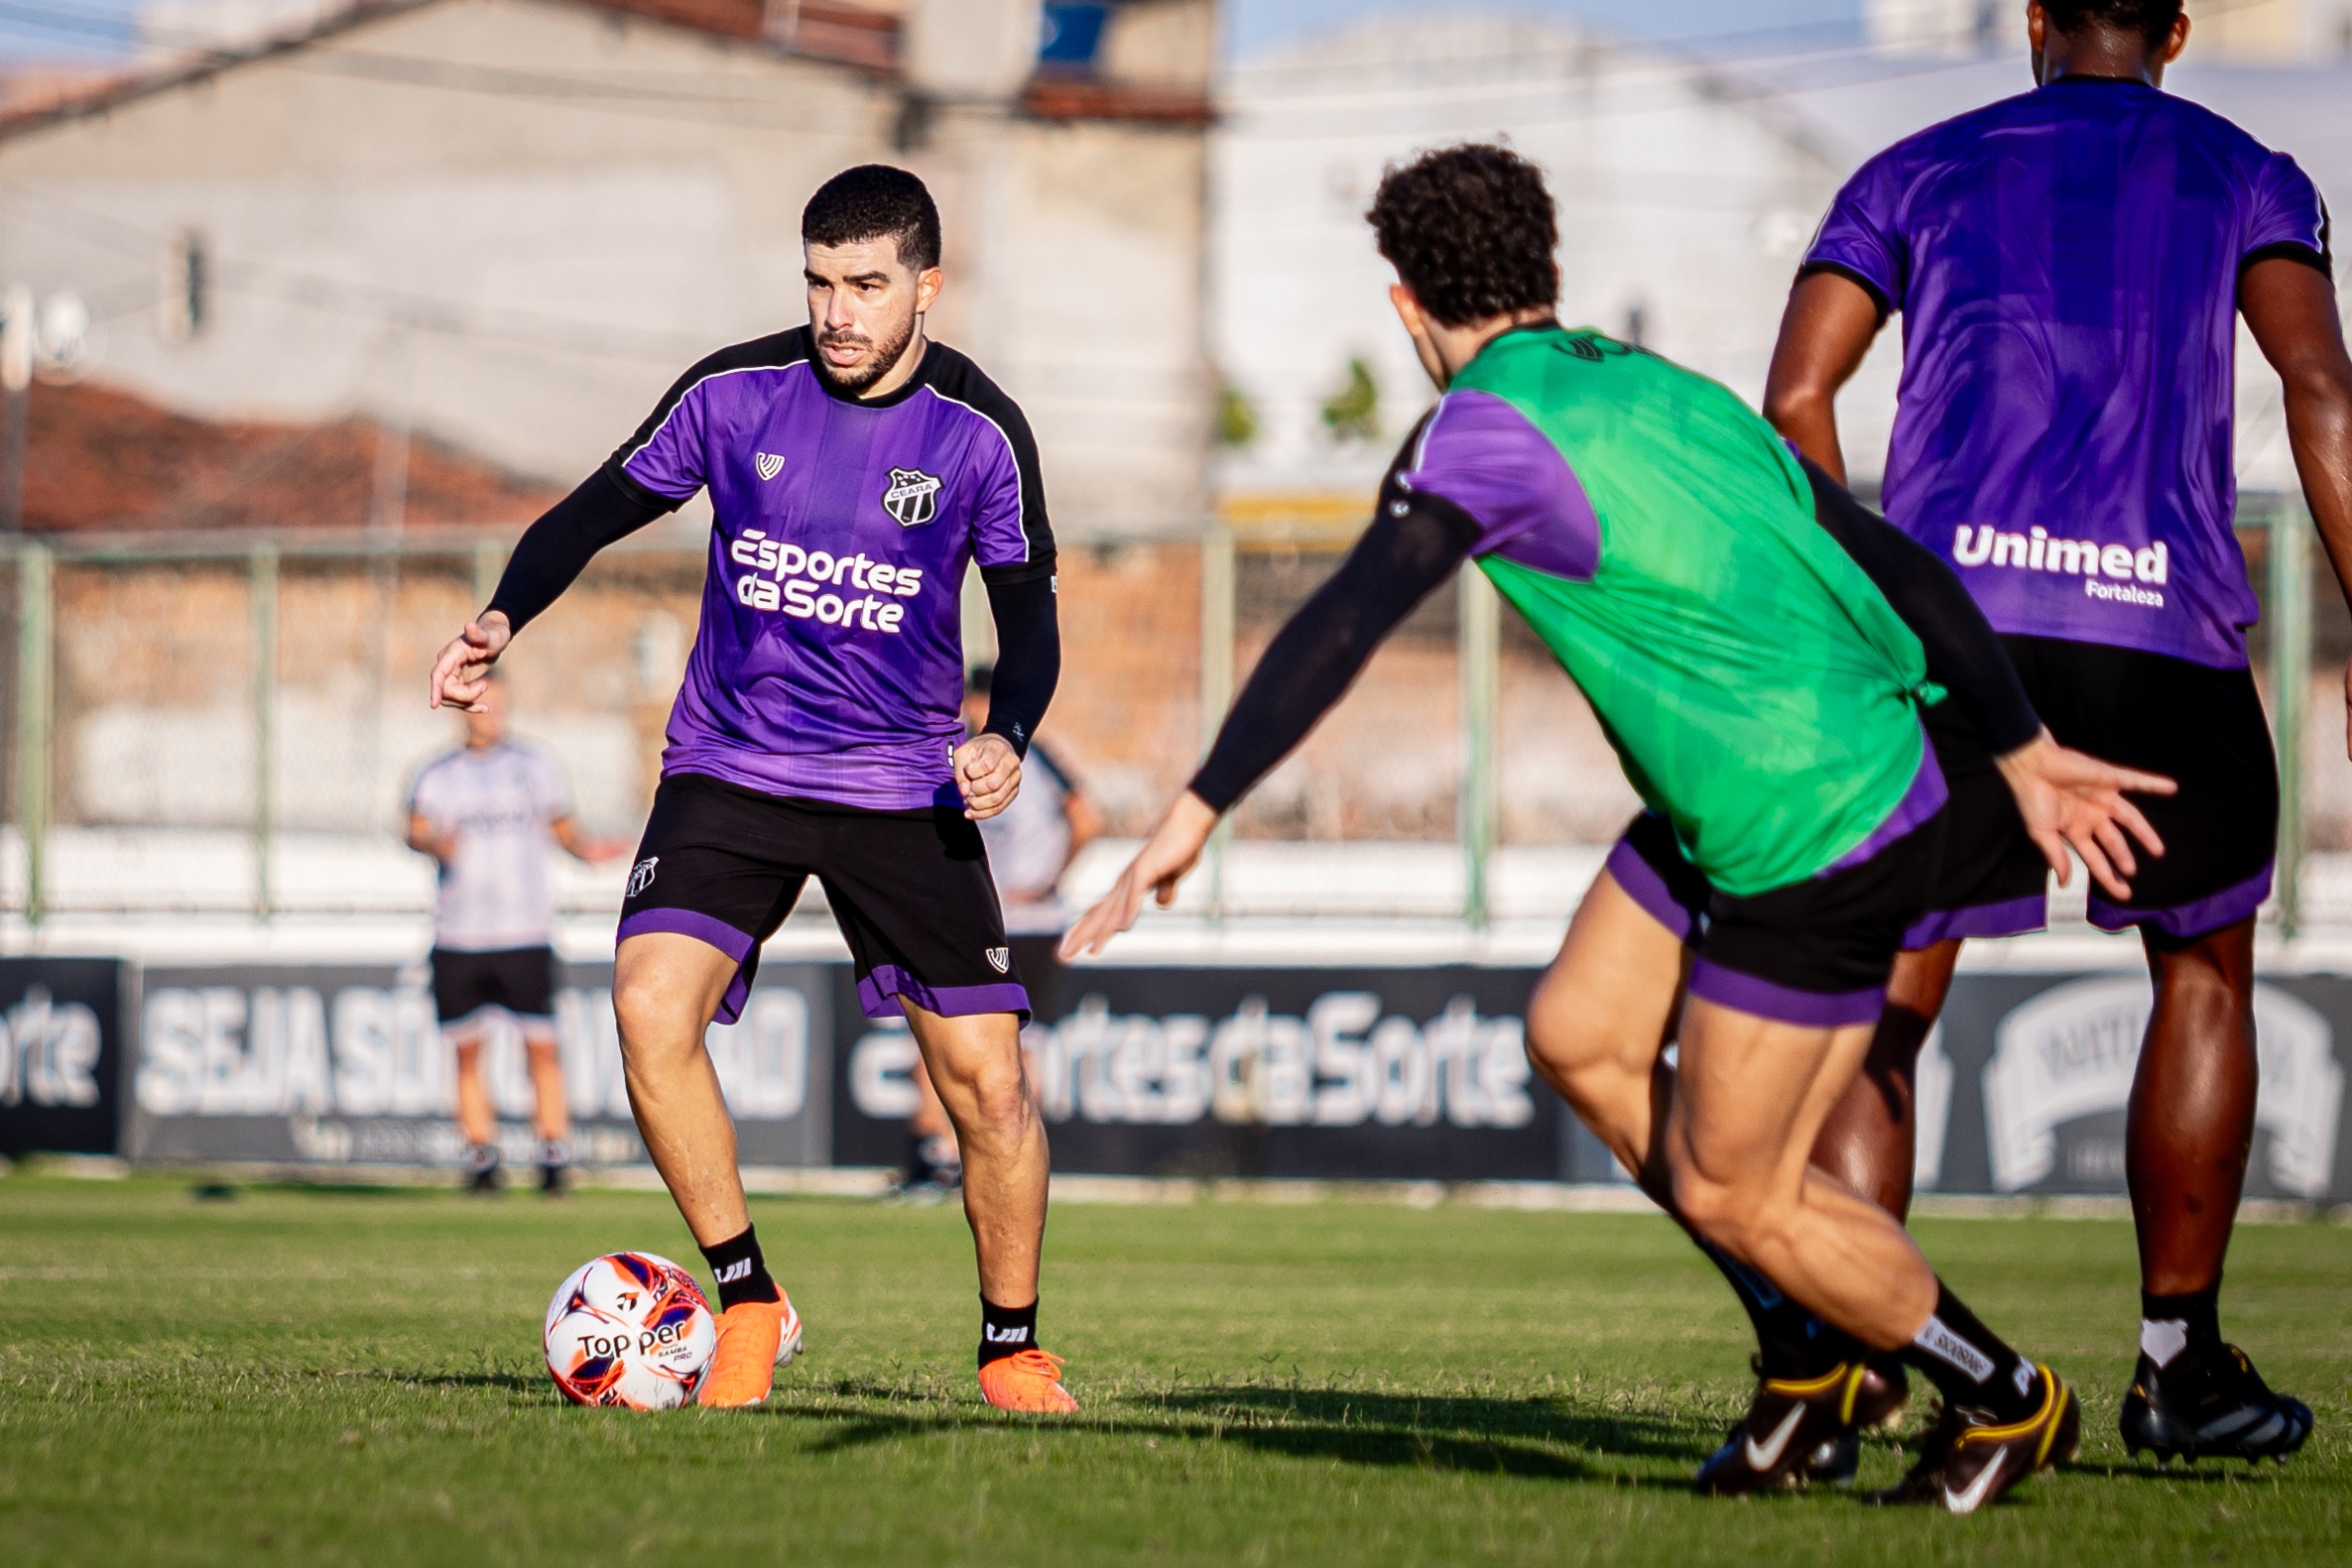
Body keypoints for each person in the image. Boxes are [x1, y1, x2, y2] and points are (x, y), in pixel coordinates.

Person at [1066, 144, 2173, 1511]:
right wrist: (2017, 745)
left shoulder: (1474, 428)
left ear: (1403, 303)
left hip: (1809, 824)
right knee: (1578, 1038)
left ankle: (2005, 1396)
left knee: (1737, 1190)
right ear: (1543, 271)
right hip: (1772, 787)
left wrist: (1192, 811)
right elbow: (1887, 553)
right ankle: (1799, 1371)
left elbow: (1347, 614)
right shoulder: (1663, 387)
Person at [1762, 0, 2345, 1465]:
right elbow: (2321, 394)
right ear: (2176, 31)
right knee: (2201, 980)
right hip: (2160, 635)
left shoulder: (1911, 168)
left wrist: (1861, 605)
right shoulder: (2247, 171)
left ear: (2028, 22)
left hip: (1952, 636)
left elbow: (1793, 398)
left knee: (1886, 998)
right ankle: (2174, 1371)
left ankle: (1852, 1367)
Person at [427, 166, 1076, 1414]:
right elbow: (594, 508)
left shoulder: (980, 433)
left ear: (927, 287)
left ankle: (1010, 1349)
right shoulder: (735, 394)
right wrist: (503, 614)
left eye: (868, 285)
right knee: (646, 1010)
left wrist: (1014, 729)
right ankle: (747, 1301)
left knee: (989, 1086)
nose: (838, 312)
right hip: (731, 766)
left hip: (901, 783)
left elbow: (1031, 614)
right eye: (821, 283)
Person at [406, 673, 622, 1195]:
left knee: (541, 1049)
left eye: (497, 704)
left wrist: (591, 852)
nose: (490, 714)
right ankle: (481, 1159)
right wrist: (435, 842)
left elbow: (564, 830)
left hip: (525, 931)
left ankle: (552, 1156)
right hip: (460, 935)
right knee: (467, 1051)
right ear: (465, 711)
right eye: (480, 705)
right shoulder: (439, 774)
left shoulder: (534, 767)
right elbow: (415, 829)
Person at [899, 667, 1102, 1195]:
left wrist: (1046, 883)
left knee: (984, 1042)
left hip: (1012, 921)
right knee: (978, 1040)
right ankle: (968, 1160)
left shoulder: (1015, 756)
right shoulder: (980, 755)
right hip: (994, 917)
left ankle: (972, 1159)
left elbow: (1086, 820)